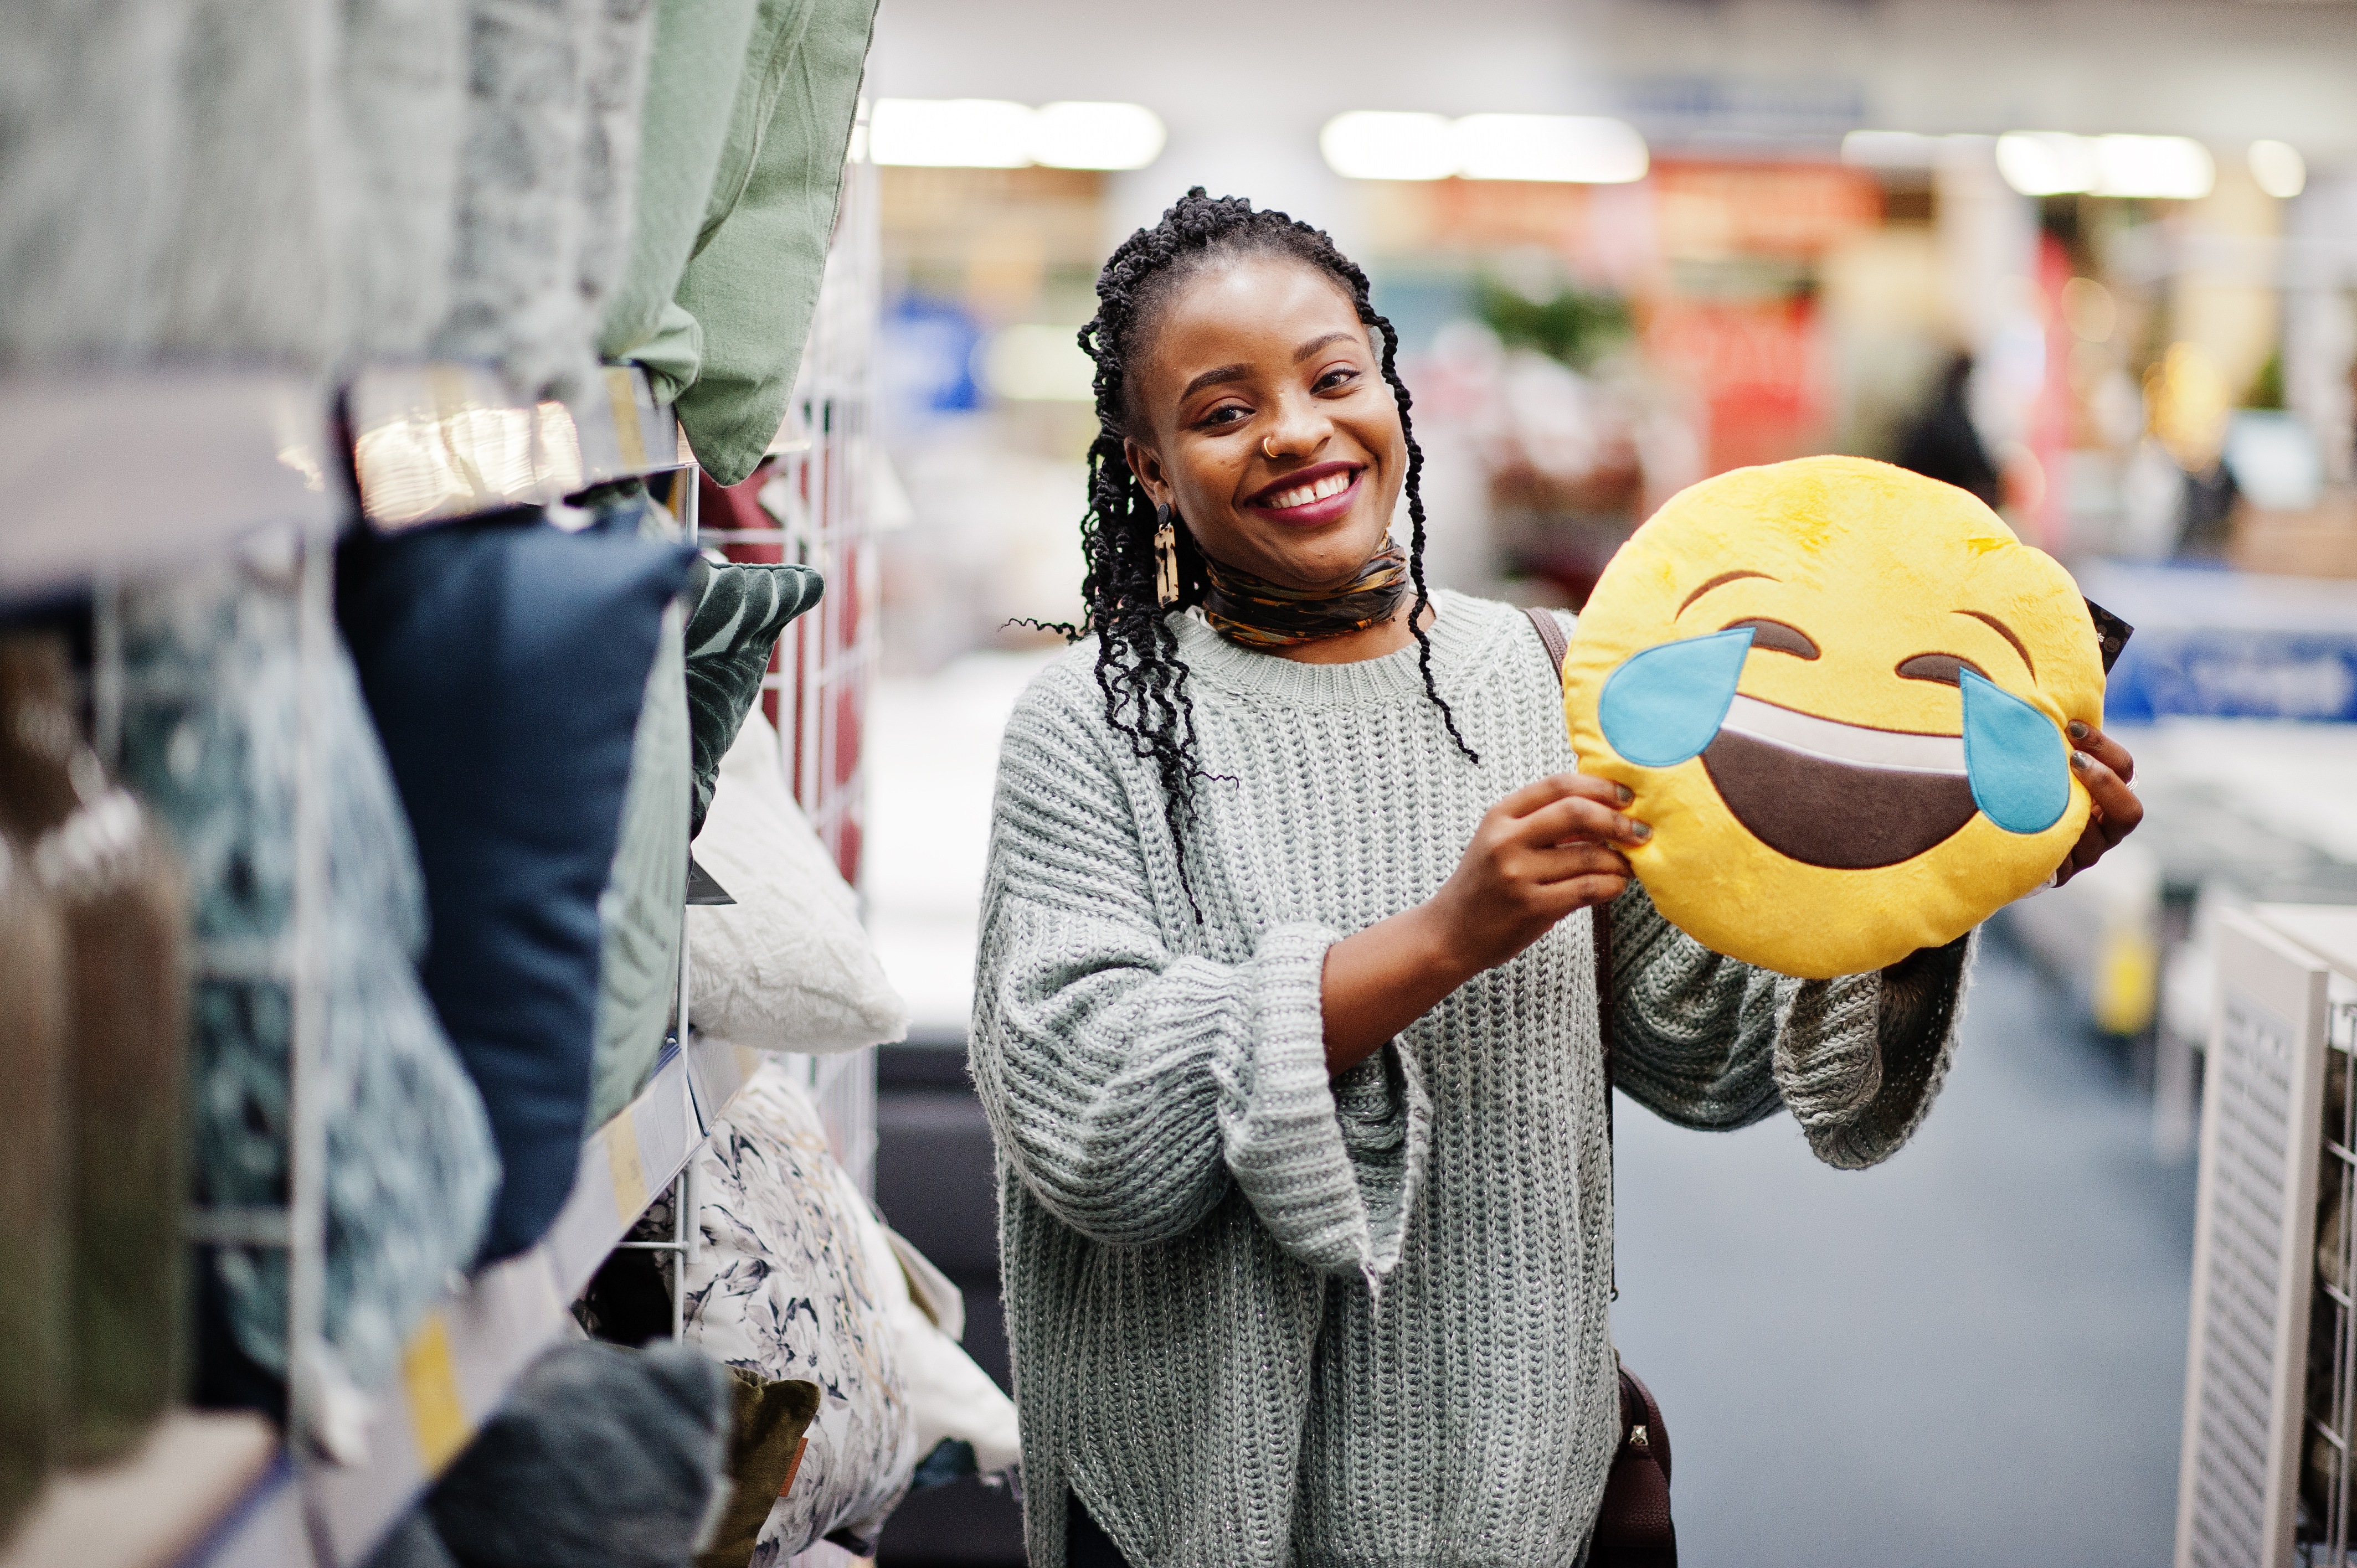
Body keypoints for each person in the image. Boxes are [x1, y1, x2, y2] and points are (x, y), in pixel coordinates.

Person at [966, 190, 2144, 1568]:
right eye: (1223, 412)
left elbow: (1695, 1049)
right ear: (1153, 469)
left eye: (1333, 377)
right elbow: (1090, 1127)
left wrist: (1932, 870)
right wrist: (1444, 938)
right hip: (1188, 1501)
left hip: (1515, 1484)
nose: (1296, 429)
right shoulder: (1092, 725)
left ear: (1390, 391)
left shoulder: (1554, 680)